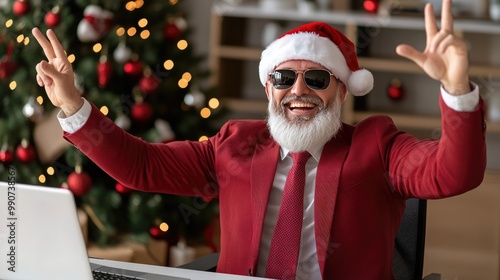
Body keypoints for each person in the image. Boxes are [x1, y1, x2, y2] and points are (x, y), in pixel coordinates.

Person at [32, 0, 486, 279]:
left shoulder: (378, 143)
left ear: (343, 89)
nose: (299, 90)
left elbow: (454, 173)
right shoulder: (236, 143)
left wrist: (457, 90)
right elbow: (142, 166)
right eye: (284, 77)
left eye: (318, 79)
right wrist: (73, 105)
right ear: (269, 88)